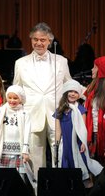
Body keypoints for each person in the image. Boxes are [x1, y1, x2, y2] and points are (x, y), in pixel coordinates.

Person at [13, 22, 72, 177]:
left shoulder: (61, 61)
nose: (39, 43)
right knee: (35, 157)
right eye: (35, 39)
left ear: (49, 41)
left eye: (43, 40)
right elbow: (16, 89)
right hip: (32, 114)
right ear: (31, 40)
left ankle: (58, 187)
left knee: (58, 154)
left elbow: (69, 85)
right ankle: (37, 189)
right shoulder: (20, 63)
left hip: (57, 114)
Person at [54, 79, 103, 188]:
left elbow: (83, 128)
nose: (72, 94)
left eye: (75, 92)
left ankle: (87, 189)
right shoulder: (60, 110)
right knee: (66, 170)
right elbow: (58, 129)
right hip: (65, 144)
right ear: (66, 92)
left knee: (82, 169)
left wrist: (83, 143)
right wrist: (56, 144)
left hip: (77, 143)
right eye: (70, 91)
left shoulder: (80, 109)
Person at [0, 85, 31, 182]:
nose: (12, 100)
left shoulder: (25, 113)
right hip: (3, 151)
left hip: (18, 152)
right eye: (10, 97)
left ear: (21, 99)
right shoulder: (2, 110)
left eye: (15, 98)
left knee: (18, 180)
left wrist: (25, 150)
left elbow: (27, 133)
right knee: (0, 179)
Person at [84, 56, 105, 167]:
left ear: (102, 70)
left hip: (103, 134)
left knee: (102, 164)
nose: (92, 70)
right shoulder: (92, 88)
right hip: (91, 132)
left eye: (95, 67)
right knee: (91, 163)